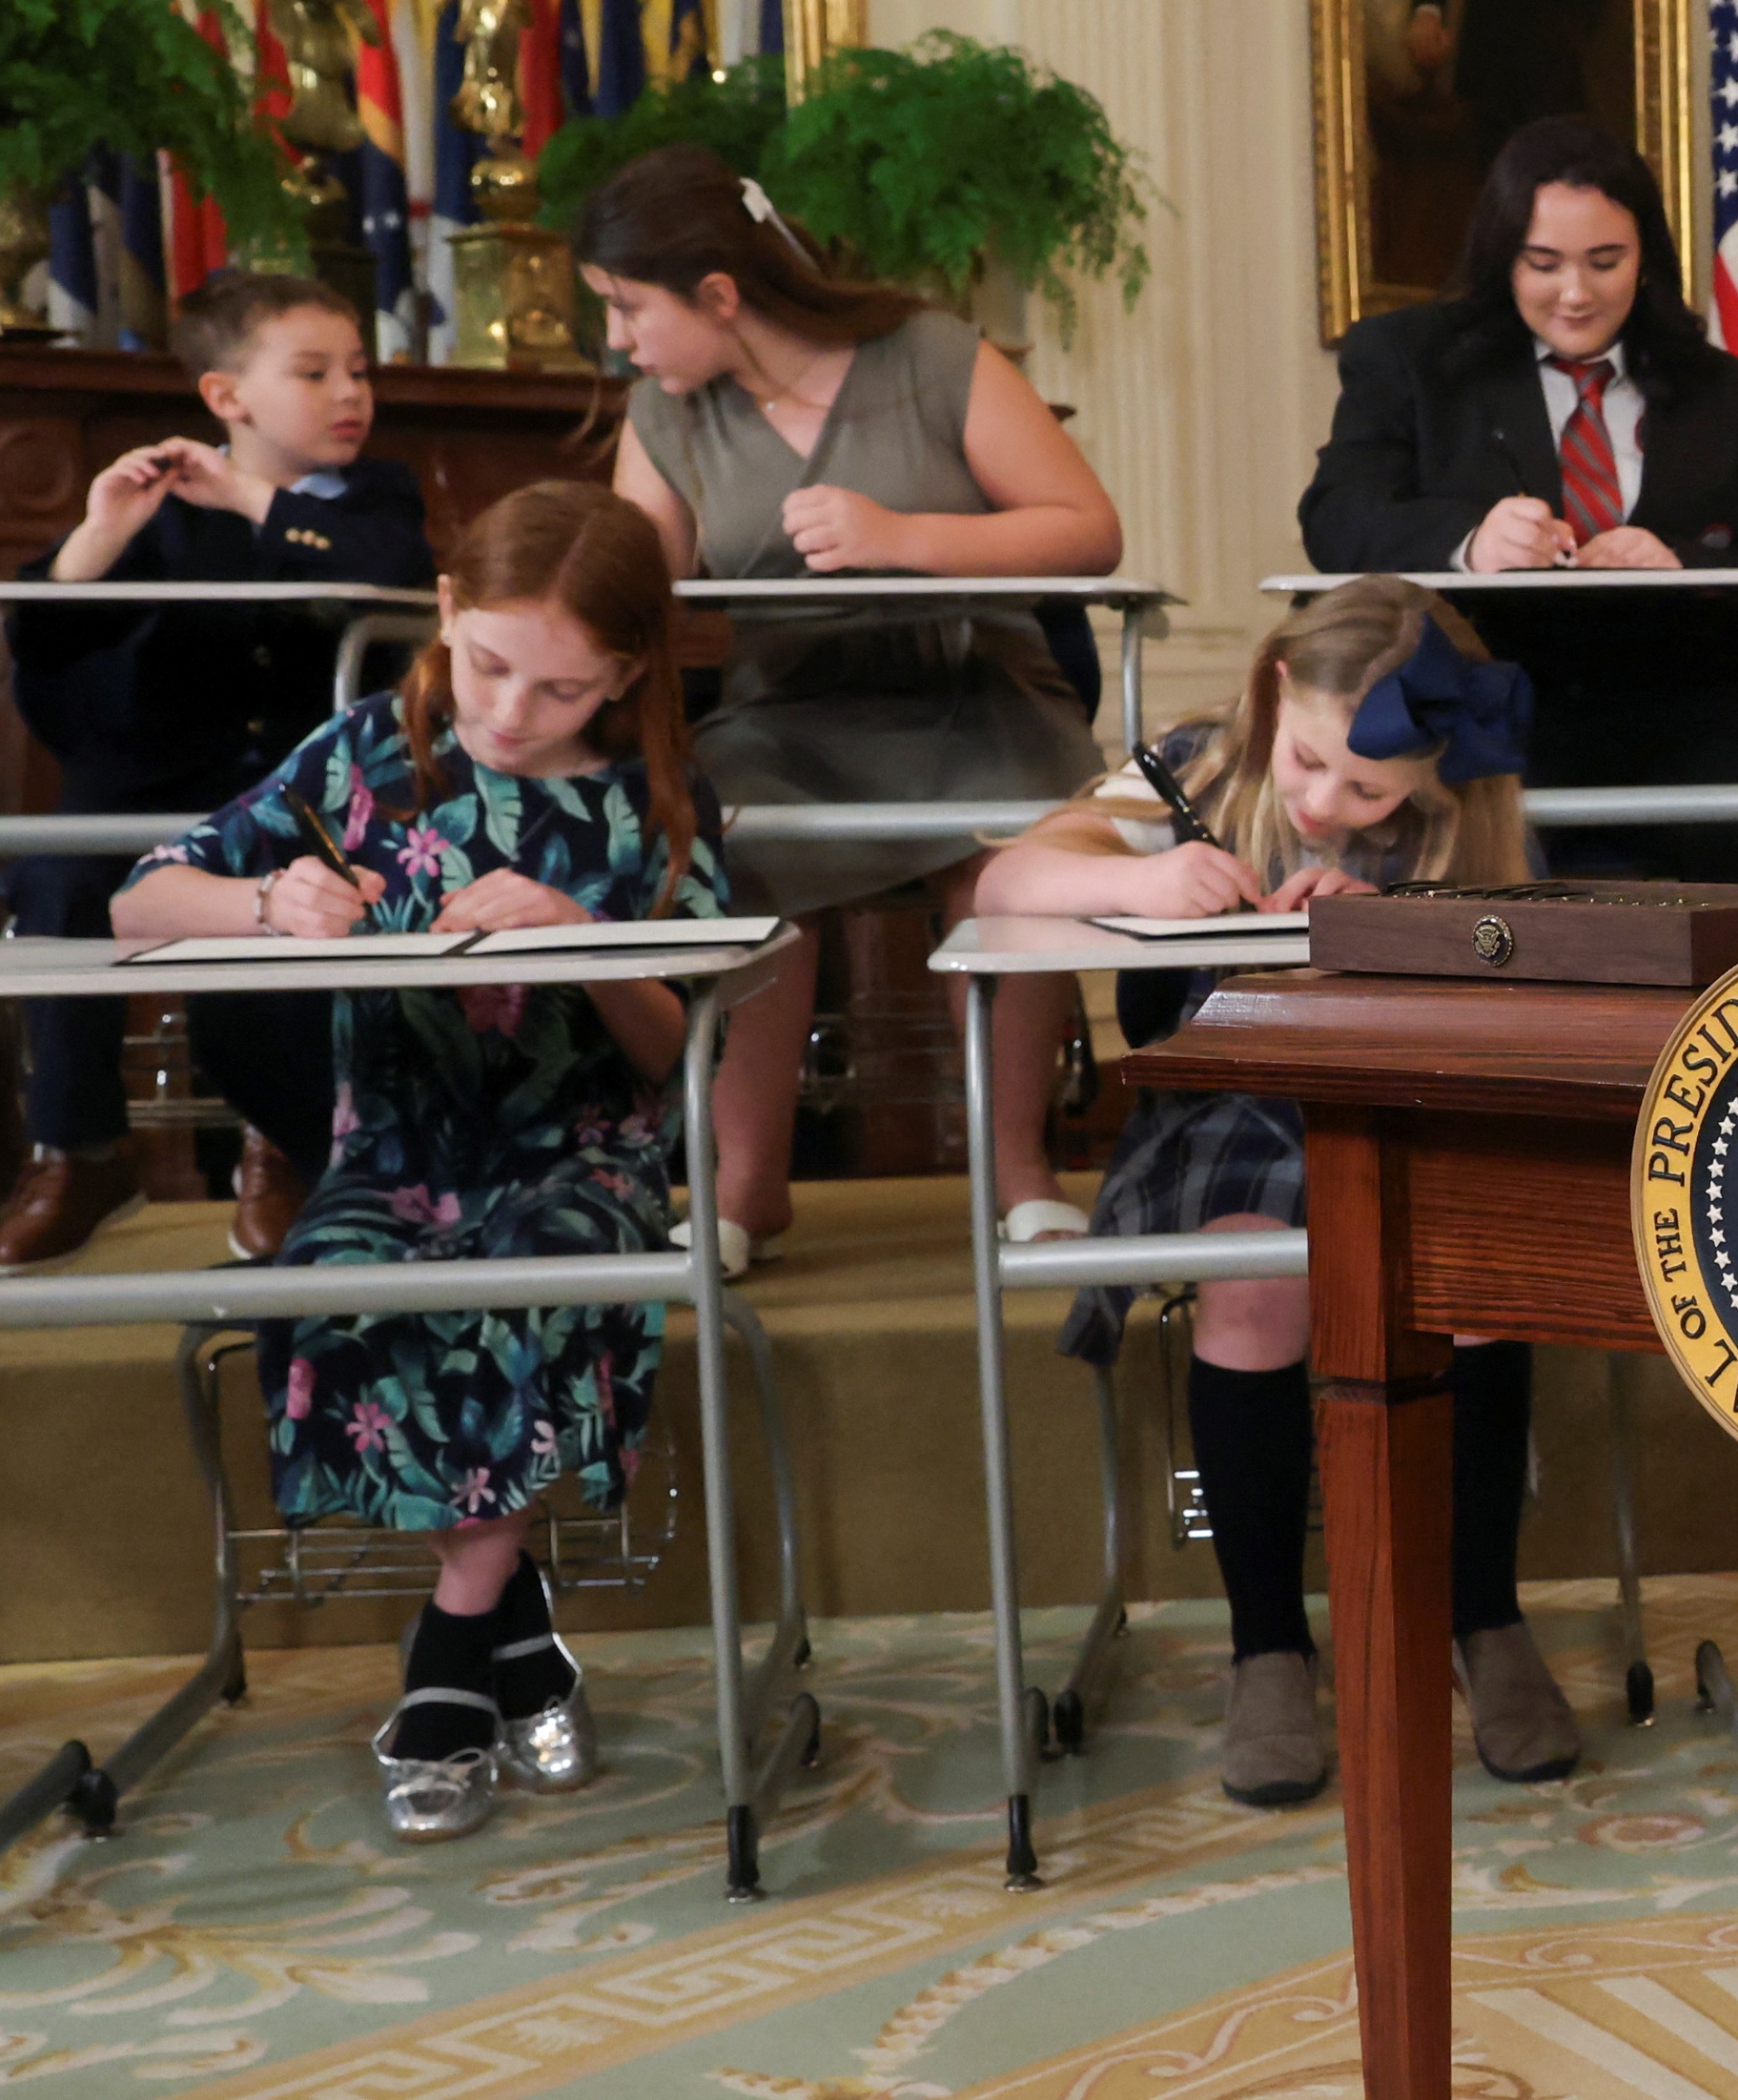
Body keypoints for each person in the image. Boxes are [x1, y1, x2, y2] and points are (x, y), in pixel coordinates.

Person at [112, 481, 726, 1844]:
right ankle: (521, 1632)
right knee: (328, 1284)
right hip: (395, 1149)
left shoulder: (650, 804)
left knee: (527, 1277)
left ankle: (448, 1652)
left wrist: (584, 936)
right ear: (447, 612)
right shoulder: (368, 756)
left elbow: (676, 1048)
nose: (509, 711)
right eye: (490, 664)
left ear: (627, 673)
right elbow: (138, 898)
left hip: (584, 1154)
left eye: (560, 688)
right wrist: (264, 900)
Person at [974, 574, 1585, 1804]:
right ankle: (1269, 1645)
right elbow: (1000, 890)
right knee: (1255, 1274)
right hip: (1229, 1104)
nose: (1323, 805)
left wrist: (1395, 931)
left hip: (1413, 1101)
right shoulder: (1195, 772)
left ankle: (1482, 1613)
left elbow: (1532, 970)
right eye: (1310, 763)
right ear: (1273, 689)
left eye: (1368, 790)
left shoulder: (1465, 812)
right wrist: (1140, 884)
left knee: (1471, 1284)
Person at [578, 143, 1124, 1274]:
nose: (619, 339)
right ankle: (746, 1185)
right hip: (789, 710)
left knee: (1005, 861)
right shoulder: (661, 414)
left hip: (971, 687)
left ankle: (1021, 1170)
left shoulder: (930, 355)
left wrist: (904, 536)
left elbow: (1086, 528)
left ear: (716, 294)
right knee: (741, 843)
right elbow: (634, 593)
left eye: (628, 308)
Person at [0, 272, 432, 1273]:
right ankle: (77, 1151)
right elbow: (47, 655)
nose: (350, 393)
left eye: (359, 370)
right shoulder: (162, 508)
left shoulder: (378, 496)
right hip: (157, 791)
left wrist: (249, 497)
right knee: (60, 880)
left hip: (305, 797)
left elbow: (389, 569)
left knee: (307, 884)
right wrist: (99, 537)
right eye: (314, 373)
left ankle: (283, 1139)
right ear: (226, 396)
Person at [1300, 115, 1738, 887]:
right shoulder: (1412, 360)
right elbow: (1335, 519)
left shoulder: (1732, 396)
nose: (1576, 294)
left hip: (1687, 711)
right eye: (1544, 264)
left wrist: (1683, 566)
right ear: (1503, 257)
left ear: (1645, 258)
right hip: (1481, 703)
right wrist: (1470, 543)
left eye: (1605, 262)